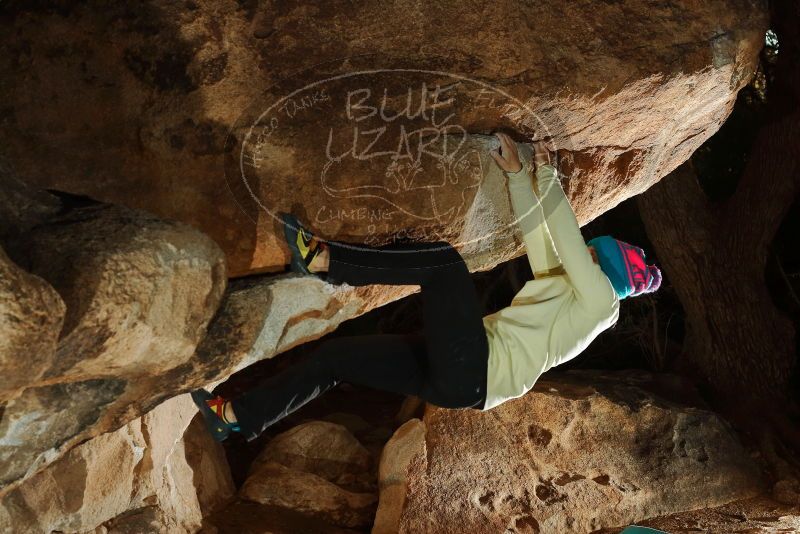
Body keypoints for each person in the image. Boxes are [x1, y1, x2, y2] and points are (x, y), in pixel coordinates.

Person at [192, 133, 662, 441]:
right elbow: (541, 237)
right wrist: (522, 176)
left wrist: (552, 177)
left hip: (475, 369)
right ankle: (237, 418)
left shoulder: (602, 305)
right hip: (463, 378)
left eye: (597, 254)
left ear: (609, 268)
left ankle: (326, 261)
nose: (589, 254)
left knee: (444, 265)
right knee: (336, 359)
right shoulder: (569, 292)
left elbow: (567, 239)